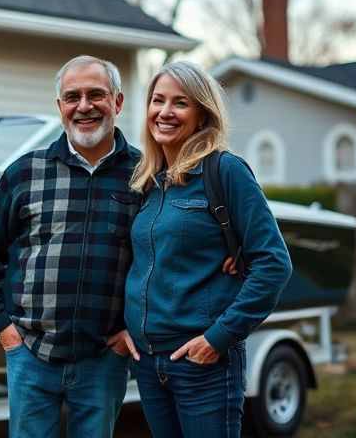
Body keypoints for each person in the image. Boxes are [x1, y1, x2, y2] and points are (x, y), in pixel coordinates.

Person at [0, 55, 141, 437]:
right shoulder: (23, 173)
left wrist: (133, 330)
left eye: (95, 95)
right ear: (60, 106)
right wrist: (2, 328)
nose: (84, 106)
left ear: (117, 102)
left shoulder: (145, 176)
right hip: (30, 353)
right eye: (72, 97)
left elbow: (160, 262)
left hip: (104, 358)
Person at [124, 61, 293, 437]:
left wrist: (218, 338)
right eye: (157, 100)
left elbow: (274, 264)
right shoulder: (147, 183)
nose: (165, 112)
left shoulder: (226, 171)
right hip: (150, 365)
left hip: (203, 364)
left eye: (180, 103)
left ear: (202, 114)